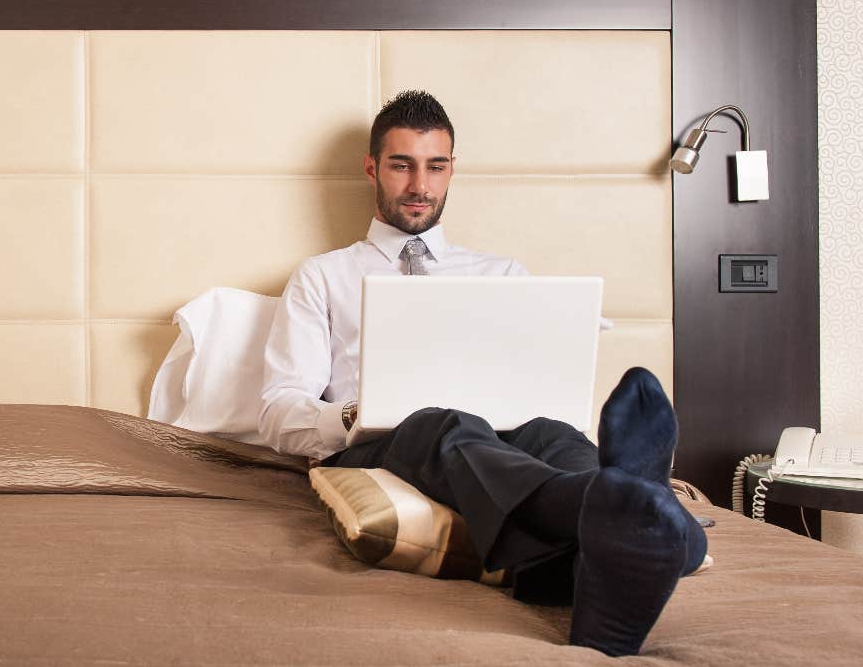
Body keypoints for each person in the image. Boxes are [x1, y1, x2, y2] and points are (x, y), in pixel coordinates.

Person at [259, 90, 707, 657]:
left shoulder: (501, 273)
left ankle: (619, 522)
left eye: (436, 166)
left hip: (506, 435)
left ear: (453, 170)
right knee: (442, 423)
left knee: (554, 431)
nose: (419, 184)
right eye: (401, 165)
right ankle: (656, 521)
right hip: (386, 441)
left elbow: (533, 382)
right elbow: (277, 411)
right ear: (372, 167)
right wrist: (359, 412)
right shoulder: (322, 277)